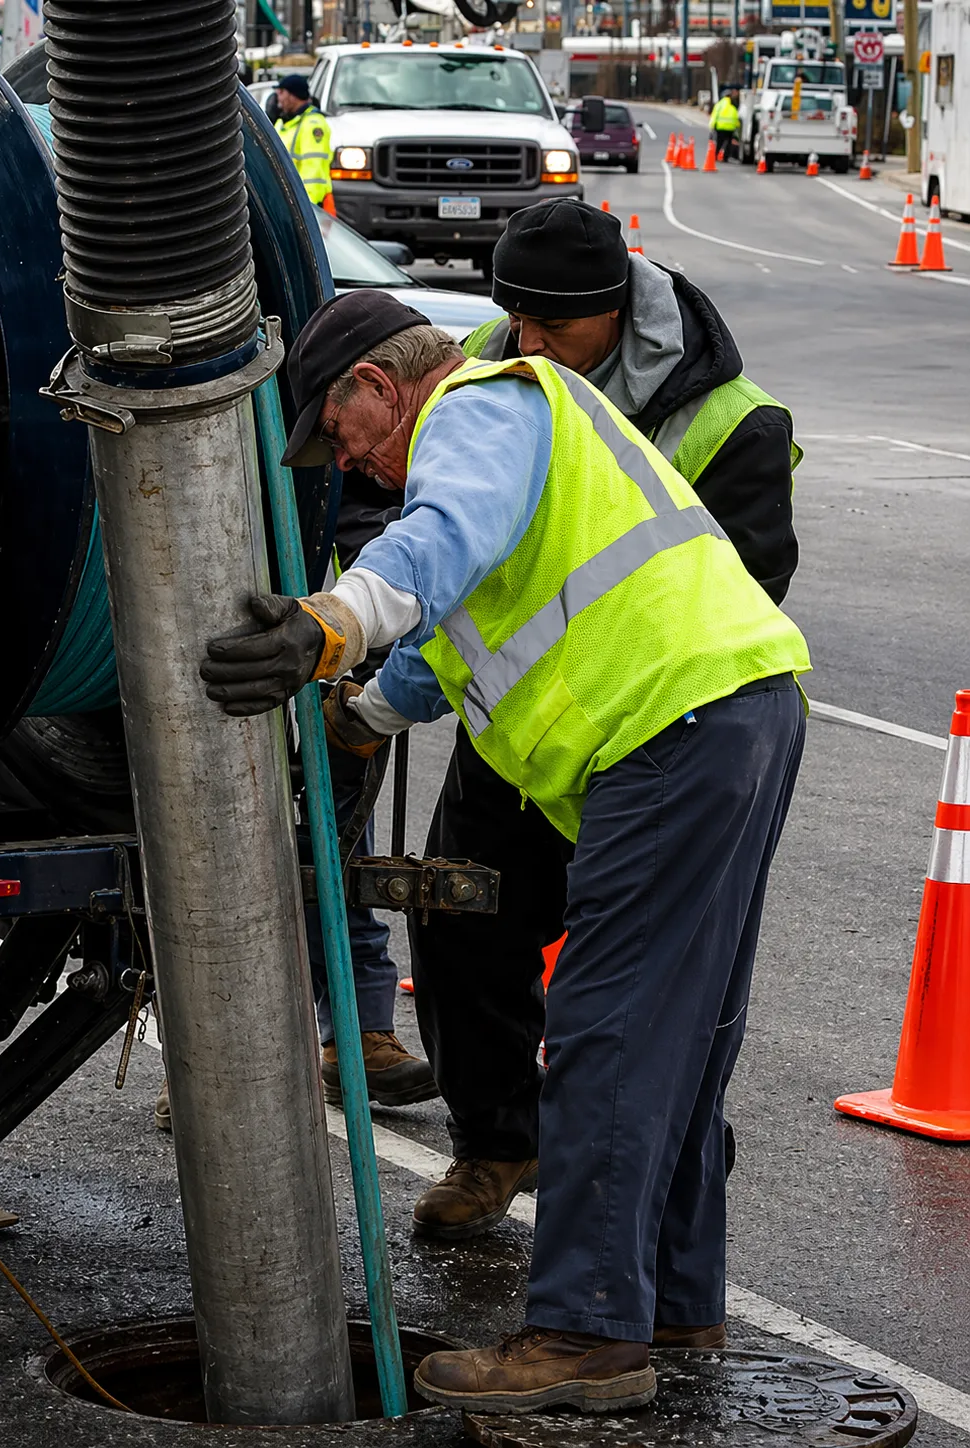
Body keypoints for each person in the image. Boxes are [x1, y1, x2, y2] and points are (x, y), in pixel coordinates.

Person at [199, 289, 809, 1413]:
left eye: (344, 435)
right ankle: (673, 1301)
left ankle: (583, 1332)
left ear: (381, 387)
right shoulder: (535, 428)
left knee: (608, 1035)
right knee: (683, 1036)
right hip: (736, 708)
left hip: (666, 726)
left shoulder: (479, 407)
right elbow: (454, 631)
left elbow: (441, 541)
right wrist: (364, 712)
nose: (356, 465)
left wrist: (325, 621)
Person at [408, 197, 799, 1241]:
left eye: (553, 326)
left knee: (631, 995)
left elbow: (744, 591)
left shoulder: (731, 423)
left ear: (615, 310)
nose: (527, 343)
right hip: (531, 726)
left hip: (648, 733)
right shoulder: (497, 364)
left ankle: (668, 1185)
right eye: (514, 319)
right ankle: (497, 1140)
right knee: (460, 912)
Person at [274, 74, 334, 213]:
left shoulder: (312, 125)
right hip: (291, 203)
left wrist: (307, 210)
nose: (279, 99)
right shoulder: (283, 123)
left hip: (312, 206)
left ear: (292, 95)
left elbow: (314, 172)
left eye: (282, 93)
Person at [709, 87, 740, 161]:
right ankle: (725, 158)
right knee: (728, 143)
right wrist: (737, 126)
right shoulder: (733, 104)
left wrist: (712, 126)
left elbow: (714, 115)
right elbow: (736, 115)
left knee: (720, 142)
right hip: (730, 127)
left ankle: (715, 156)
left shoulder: (719, 104)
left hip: (720, 127)